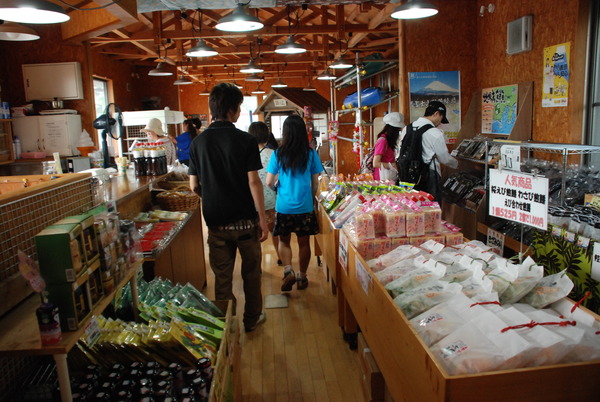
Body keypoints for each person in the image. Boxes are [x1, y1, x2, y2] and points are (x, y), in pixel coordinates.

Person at [188, 83, 269, 332]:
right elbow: (254, 182)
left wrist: (212, 196)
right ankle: (251, 319)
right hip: (245, 222)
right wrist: (263, 219)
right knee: (251, 275)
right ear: (233, 110)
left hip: (216, 222)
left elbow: (193, 186)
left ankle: (226, 327)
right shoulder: (245, 140)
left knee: (222, 279)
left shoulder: (198, 143)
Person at [266, 114, 324, 291]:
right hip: (304, 206)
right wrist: (312, 199)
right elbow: (315, 182)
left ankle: (288, 270)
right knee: (304, 242)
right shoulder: (310, 154)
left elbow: (269, 182)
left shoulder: (278, 154)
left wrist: (277, 189)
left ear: (285, 133)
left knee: (284, 240)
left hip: (283, 206)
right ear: (302, 132)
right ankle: (302, 276)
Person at [398, 100, 458, 202]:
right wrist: (457, 164)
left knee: (411, 204)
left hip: (406, 174)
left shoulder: (406, 129)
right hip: (428, 176)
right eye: (441, 119)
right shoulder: (435, 133)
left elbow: (400, 150)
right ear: (436, 114)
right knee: (430, 207)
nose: (440, 123)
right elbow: (444, 158)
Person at [248, 121, 282, 266]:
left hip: (251, 200)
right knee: (275, 230)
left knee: (254, 235)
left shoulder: (245, 155)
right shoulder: (274, 154)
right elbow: (279, 179)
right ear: (267, 137)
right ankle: (280, 256)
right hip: (271, 200)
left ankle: (257, 264)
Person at [372, 112, 404, 181]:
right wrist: (392, 165)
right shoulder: (383, 141)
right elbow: (375, 163)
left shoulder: (389, 141)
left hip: (389, 177)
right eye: (398, 129)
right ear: (393, 130)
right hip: (382, 178)